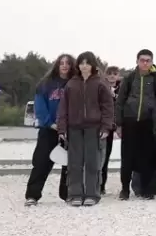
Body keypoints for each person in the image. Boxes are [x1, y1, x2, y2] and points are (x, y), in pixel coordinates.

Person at [57, 52, 114, 207]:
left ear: (92, 65)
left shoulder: (101, 83)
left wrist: (106, 127)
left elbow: (108, 107)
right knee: (74, 163)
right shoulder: (71, 83)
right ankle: (75, 194)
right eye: (81, 63)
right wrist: (62, 128)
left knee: (92, 162)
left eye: (87, 63)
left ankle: (92, 194)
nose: (84, 66)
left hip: (94, 128)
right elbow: (63, 108)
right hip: (74, 128)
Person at [25, 54, 74, 206]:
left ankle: (67, 194)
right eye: (61, 63)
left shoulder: (75, 83)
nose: (64, 66)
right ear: (57, 65)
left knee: (69, 164)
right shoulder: (45, 84)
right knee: (41, 162)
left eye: (68, 63)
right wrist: (50, 123)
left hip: (69, 130)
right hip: (49, 129)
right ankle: (32, 195)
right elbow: (40, 107)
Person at [116, 49, 156, 200]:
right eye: (142, 60)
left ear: (152, 62)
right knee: (127, 157)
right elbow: (120, 102)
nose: (145, 63)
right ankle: (124, 189)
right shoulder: (129, 78)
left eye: (148, 60)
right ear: (137, 61)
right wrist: (118, 123)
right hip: (130, 122)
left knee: (149, 157)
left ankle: (147, 189)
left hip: (148, 122)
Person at [100, 65, 120, 195]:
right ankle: (96, 184)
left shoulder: (122, 89)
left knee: (106, 156)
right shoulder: (101, 87)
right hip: (101, 126)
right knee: (99, 156)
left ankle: (102, 185)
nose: (112, 76)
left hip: (113, 127)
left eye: (115, 73)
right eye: (110, 73)